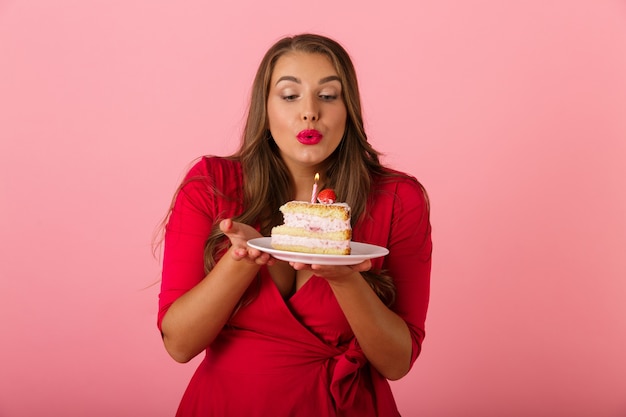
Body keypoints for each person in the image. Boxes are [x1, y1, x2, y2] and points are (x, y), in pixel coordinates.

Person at [157, 33, 432, 417]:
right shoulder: (210, 185)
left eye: (328, 95)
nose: (309, 112)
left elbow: (397, 362)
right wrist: (241, 259)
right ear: (264, 109)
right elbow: (179, 345)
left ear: (348, 108)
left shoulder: (400, 199)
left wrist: (344, 278)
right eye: (290, 96)